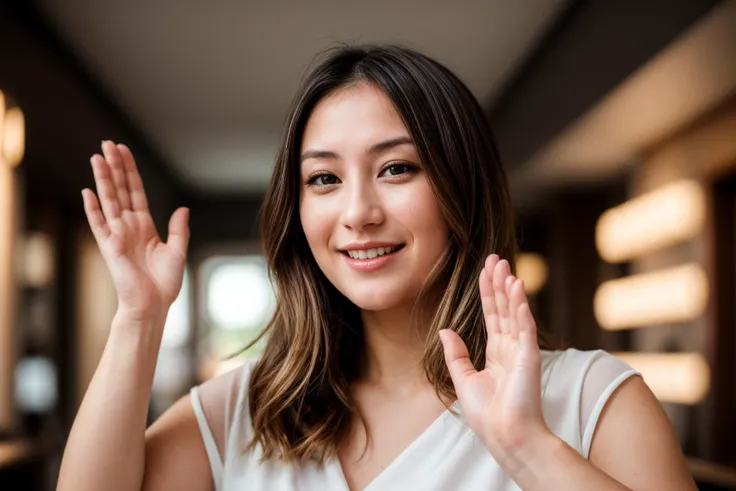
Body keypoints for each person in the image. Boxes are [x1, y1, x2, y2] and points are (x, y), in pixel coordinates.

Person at [56, 45, 696, 491]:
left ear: (460, 189)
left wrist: (528, 449)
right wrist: (139, 318)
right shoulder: (248, 411)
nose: (358, 212)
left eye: (396, 168)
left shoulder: (592, 400)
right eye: (325, 178)